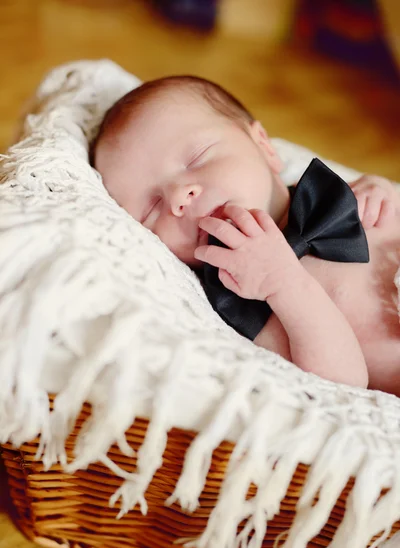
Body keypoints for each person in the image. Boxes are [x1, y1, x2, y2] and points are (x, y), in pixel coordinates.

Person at [92, 75, 400, 395]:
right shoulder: (241, 296)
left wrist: (383, 189)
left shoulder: (329, 197)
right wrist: (283, 285)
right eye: (152, 209)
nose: (180, 197)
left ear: (264, 147)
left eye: (197, 158)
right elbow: (344, 383)